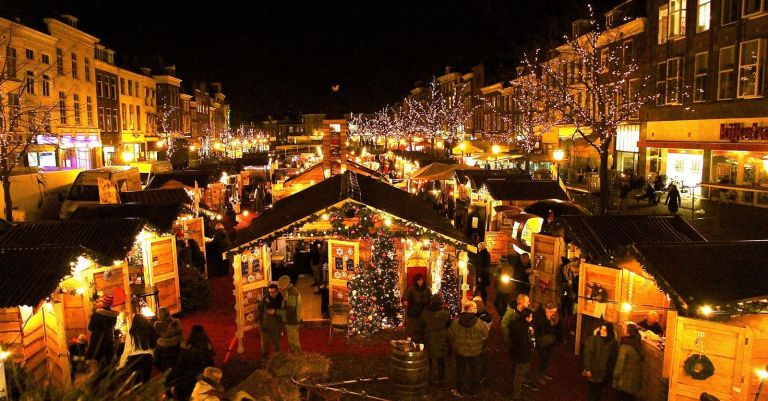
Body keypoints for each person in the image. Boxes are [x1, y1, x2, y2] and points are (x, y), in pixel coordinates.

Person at [448, 301, 490, 398]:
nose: (476, 309)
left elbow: (450, 334)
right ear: (470, 310)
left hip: (460, 351)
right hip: (475, 352)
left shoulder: (456, 322)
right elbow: (485, 335)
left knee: (460, 371)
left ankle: (460, 391)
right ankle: (473, 391)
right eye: (475, 308)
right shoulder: (479, 323)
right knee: (475, 371)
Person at [168, 325, 215, 401]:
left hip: (189, 382)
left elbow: (179, 368)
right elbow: (210, 367)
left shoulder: (187, 351)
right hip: (203, 382)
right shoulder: (208, 350)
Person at [583, 323, 619, 401]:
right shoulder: (593, 340)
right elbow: (587, 355)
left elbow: (613, 358)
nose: (602, 331)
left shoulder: (613, 343)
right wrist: (588, 369)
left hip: (604, 373)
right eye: (601, 329)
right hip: (594, 370)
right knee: (593, 391)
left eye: (605, 330)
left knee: (598, 391)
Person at [118, 314, 157, 384]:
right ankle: (146, 392)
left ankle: (137, 391)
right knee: (146, 379)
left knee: (137, 379)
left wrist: (121, 364)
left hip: (135, 359)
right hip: (148, 357)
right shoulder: (150, 331)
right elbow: (154, 346)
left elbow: (127, 350)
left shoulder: (131, 334)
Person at [422, 294, 451, 386]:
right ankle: (441, 379)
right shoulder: (445, 313)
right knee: (441, 361)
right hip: (441, 339)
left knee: (429, 360)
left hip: (429, 338)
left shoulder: (425, 312)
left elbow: (423, 324)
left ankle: (428, 377)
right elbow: (448, 324)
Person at [86, 292, 118, 371]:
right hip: (109, 342)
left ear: (103, 302)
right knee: (109, 365)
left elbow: (90, 328)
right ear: (111, 304)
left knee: (97, 366)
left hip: (97, 342)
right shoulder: (114, 316)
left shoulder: (96, 315)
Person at [508, 308, 535, 401]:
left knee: (516, 370)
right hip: (522, 354)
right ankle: (516, 395)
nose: (532, 319)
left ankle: (527, 382)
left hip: (514, 352)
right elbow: (525, 343)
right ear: (526, 317)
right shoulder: (525, 328)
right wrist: (531, 342)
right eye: (531, 317)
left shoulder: (514, 324)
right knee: (519, 375)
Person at [613, 324, 643, 401]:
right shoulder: (637, 343)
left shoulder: (625, 347)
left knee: (622, 397)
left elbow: (620, 365)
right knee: (630, 397)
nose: (623, 330)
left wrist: (615, 376)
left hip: (625, 379)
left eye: (624, 329)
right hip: (634, 378)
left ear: (628, 333)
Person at [533, 302, 559, 381]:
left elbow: (554, 325)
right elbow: (538, 328)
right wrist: (547, 320)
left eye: (555, 311)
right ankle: (539, 373)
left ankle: (544, 371)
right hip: (540, 340)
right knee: (542, 357)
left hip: (548, 340)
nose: (554, 313)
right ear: (547, 309)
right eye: (552, 311)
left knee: (547, 356)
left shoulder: (551, 315)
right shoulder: (539, 315)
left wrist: (551, 320)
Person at [403, 274, 431, 343]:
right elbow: (406, 294)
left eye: (421, 280)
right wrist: (405, 300)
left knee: (423, 323)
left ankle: (422, 336)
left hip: (424, 307)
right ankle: (413, 337)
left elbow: (430, 296)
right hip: (414, 307)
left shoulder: (426, 288)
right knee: (414, 323)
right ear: (416, 281)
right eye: (419, 280)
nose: (420, 282)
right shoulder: (412, 288)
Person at [154, 307, 184, 372]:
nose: (157, 316)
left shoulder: (157, 327)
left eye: (158, 314)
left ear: (161, 316)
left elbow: (156, 360)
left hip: (165, 365)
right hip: (178, 362)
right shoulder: (176, 324)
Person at [277, 275, 302, 352]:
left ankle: (297, 356)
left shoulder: (291, 293)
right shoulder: (289, 291)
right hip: (293, 319)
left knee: (293, 340)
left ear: (286, 285)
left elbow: (290, 310)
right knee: (293, 339)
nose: (279, 288)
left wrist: (277, 312)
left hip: (292, 320)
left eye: (281, 287)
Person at [258, 283, 283, 359]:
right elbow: (260, 312)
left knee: (277, 347)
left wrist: (275, 312)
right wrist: (261, 325)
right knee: (264, 349)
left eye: (273, 292)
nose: (271, 294)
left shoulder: (282, 300)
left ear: (277, 291)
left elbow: (284, 313)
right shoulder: (265, 299)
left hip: (276, 328)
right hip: (265, 328)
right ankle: (264, 363)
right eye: (270, 292)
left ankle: (278, 362)